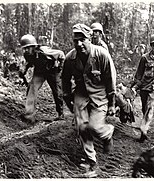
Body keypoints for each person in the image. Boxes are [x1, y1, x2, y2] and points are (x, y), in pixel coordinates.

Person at [62, 23, 116, 177]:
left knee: (95, 127)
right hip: (81, 93)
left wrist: (112, 103)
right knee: (82, 127)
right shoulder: (70, 58)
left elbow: (110, 80)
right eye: (75, 41)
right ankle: (92, 162)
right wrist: (67, 97)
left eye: (82, 40)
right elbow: (65, 80)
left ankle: (107, 134)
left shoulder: (102, 55)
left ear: (90, 39)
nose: (79, 44)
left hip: (100, 94)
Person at [19, 34, 65, 123]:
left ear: (33, 46)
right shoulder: (27, 54)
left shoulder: (44, 51)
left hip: (52, 71)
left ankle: (61, 114)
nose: (26, 50)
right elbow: (29, 62)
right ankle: (29, 115)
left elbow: (61, 54)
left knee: (57, 91)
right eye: (25, 48)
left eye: (28, 48)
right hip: (39, 71)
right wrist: (23, 70)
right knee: (32, 88)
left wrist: (60, 68)